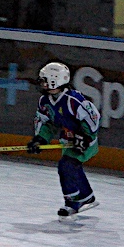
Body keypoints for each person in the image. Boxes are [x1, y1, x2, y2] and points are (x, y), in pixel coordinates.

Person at [26, 62, 100, 219]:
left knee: (66, 165)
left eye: (45, 80)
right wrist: (40, 138)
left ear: (55, 81)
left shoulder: (73, 100)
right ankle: (87, 196)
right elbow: (48, 123)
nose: (42, 83)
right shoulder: (45, 101)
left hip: (85, 142)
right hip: (68, 140)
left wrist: (85, 137)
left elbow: (93, 117)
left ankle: (72, 202)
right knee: (72, 166)